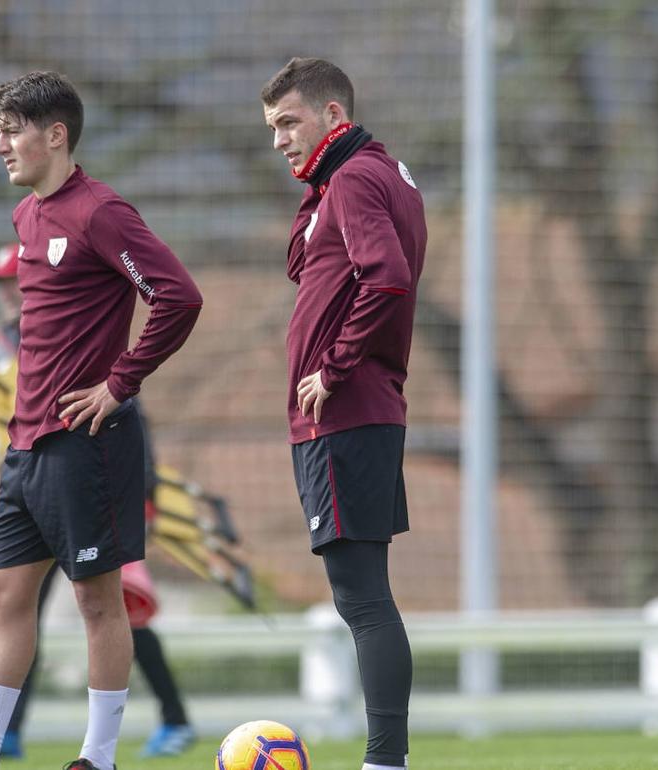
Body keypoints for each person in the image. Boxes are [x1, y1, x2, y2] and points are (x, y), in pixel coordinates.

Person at [0, 71, 202, 770]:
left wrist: (119, 384)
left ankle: (98, 757)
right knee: (4, 596)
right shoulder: (25, 218)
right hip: (26, 449)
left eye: (12, 130)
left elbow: (177, 297)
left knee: (96, 602)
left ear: (56, 135)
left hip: (91, 445)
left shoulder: (101, 212)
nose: (0, 146)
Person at [261, 57, 426, 770]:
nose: (279, 140)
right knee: (364, 595)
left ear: (334, 116)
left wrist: (332, 366)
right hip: (362, 410)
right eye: (272, 127)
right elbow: (307, 265)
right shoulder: (363, 173)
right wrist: (316, 188)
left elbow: (386, 277)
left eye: (289, 122)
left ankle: (384, 759)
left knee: (361, 599)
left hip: (346, 411)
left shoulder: (357, 177)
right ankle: (385, 757)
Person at [0, 244, 195, 760]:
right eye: (0, 285)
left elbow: (127, 410)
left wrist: (142, 494)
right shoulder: (3, 347)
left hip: (94, 479)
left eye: (15, 281)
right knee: (16, 602)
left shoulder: (75, 330)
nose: (9, 293)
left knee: (111, 605)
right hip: (35, 480)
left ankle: (167, 720)